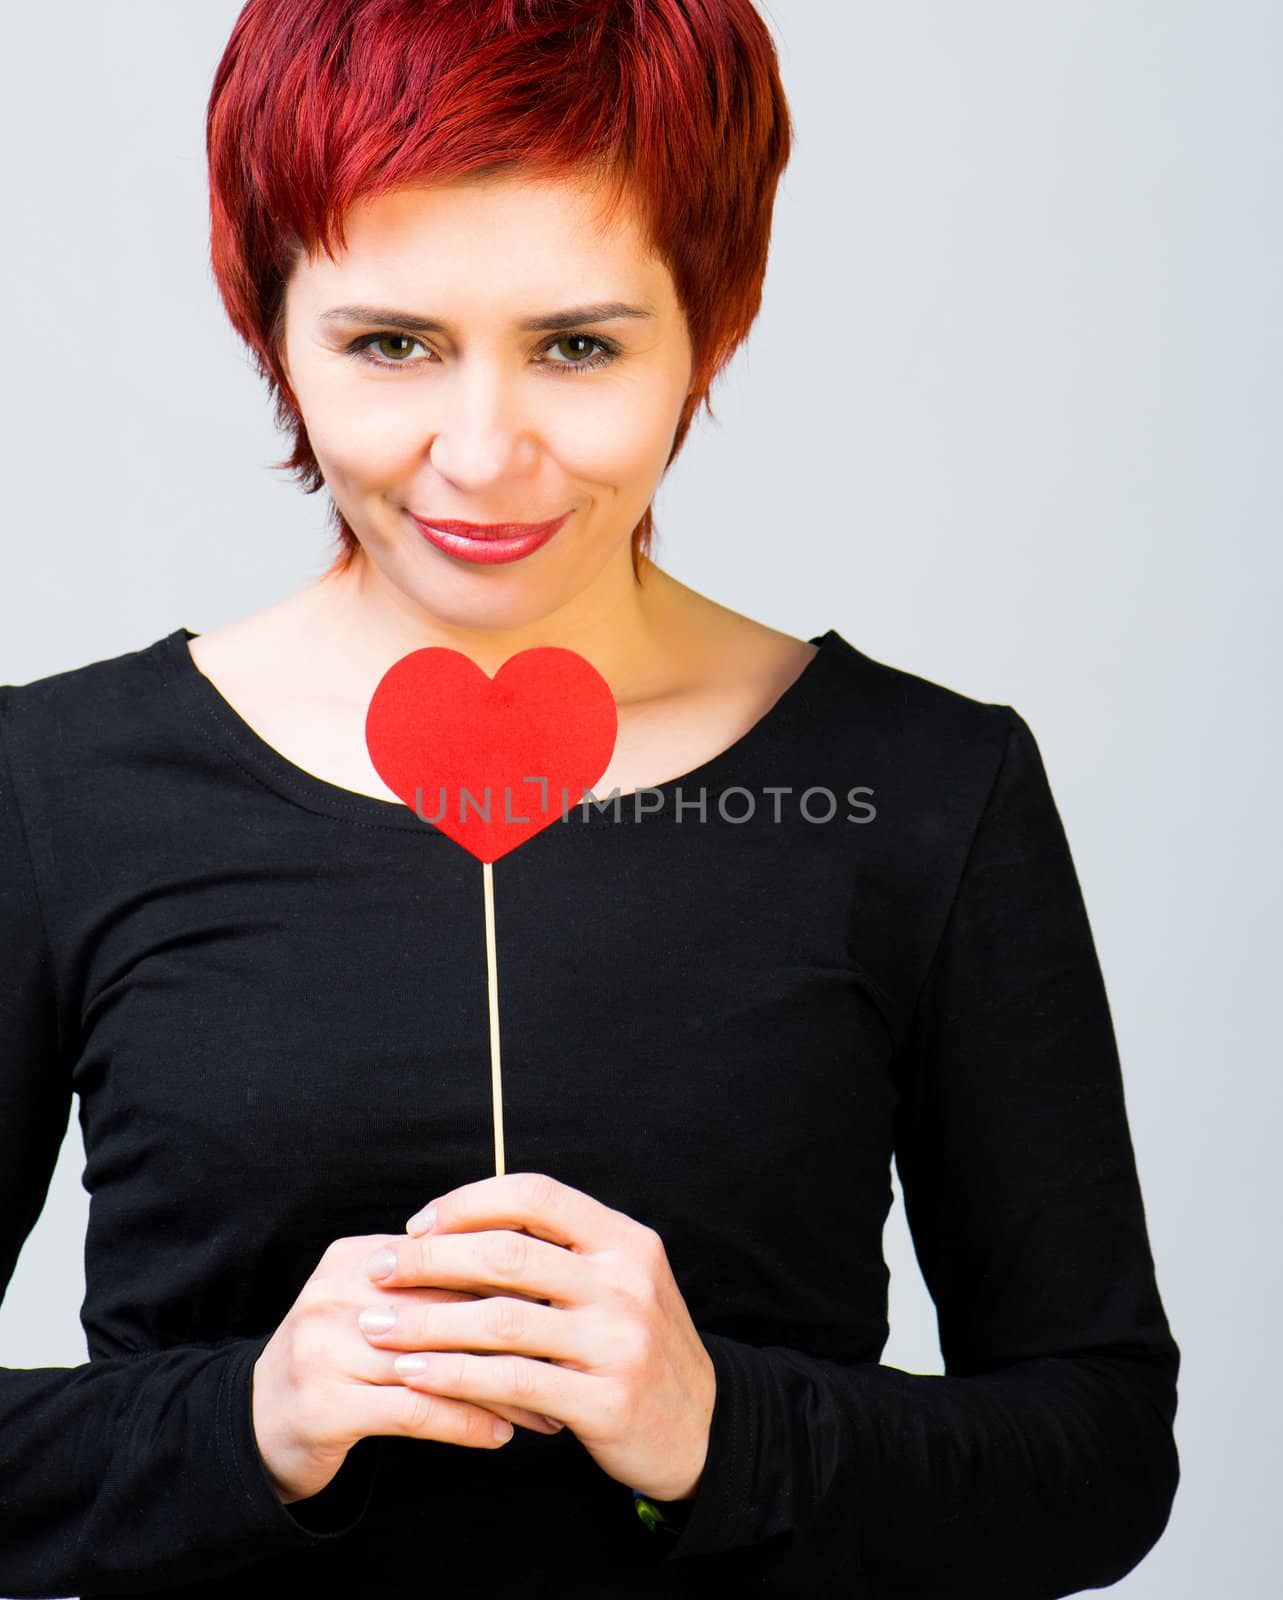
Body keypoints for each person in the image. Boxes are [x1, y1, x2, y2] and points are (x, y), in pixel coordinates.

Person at [0, 0, 1180, 1594]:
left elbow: (1100, 1460)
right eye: (390, 343)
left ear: (716, 320)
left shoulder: (922, 788)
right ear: (268, 320)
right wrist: (250, 1420)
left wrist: (720, 1427)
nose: (483, 457)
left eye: (579, 344)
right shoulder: (53, 785)